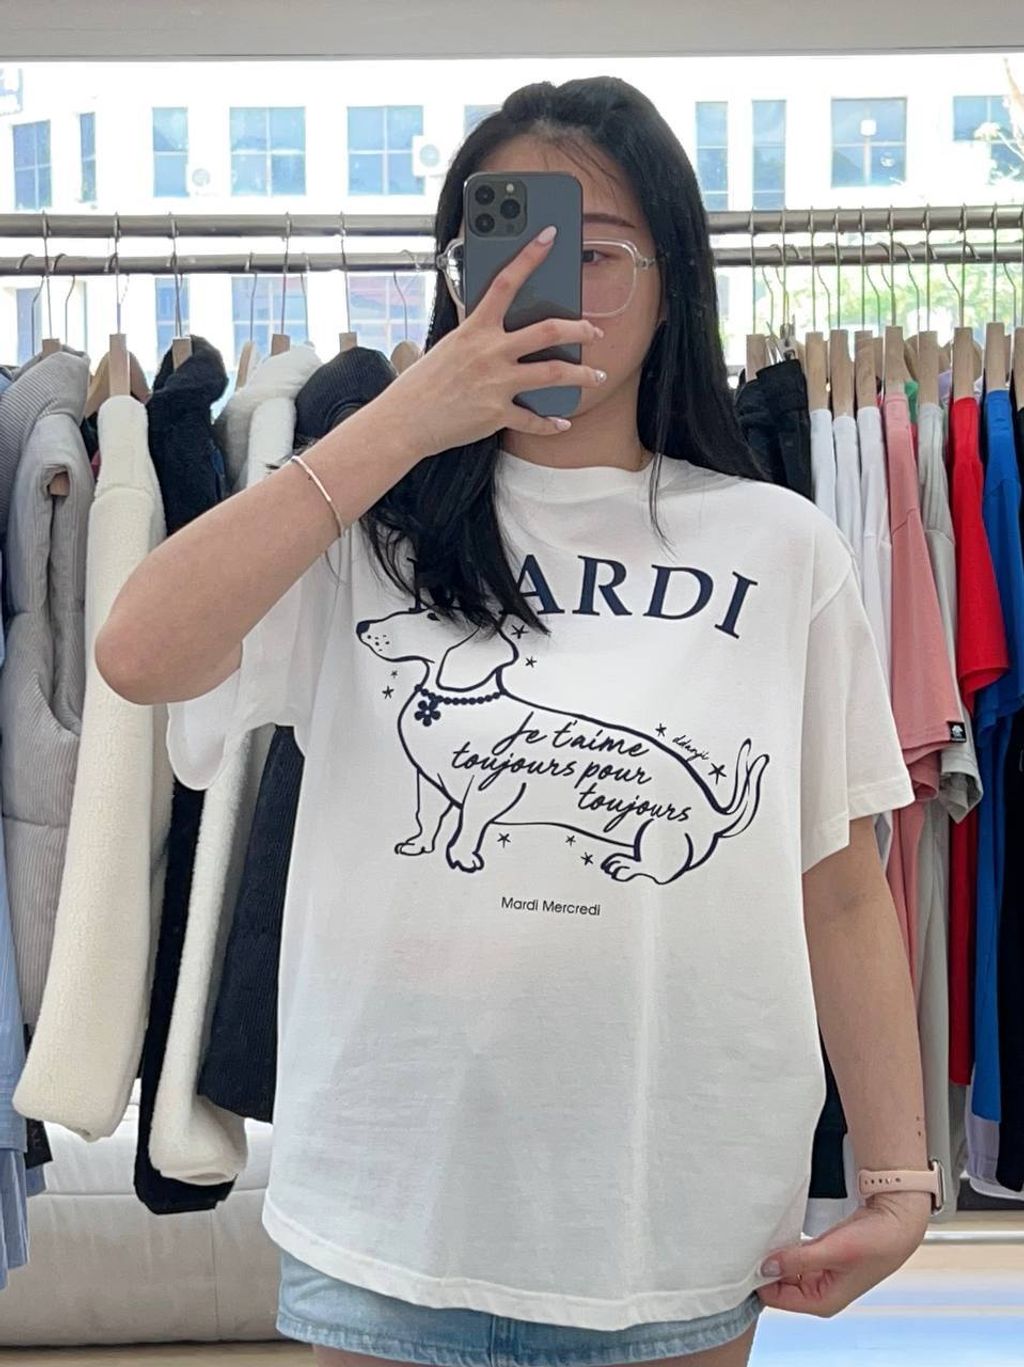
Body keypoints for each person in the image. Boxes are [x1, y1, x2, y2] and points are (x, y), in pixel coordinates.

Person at [97, 76, 933, 1367]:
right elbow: (138, 653)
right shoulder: (359, 536)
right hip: (388, 1209)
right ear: (457, 275)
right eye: (512, 253)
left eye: (599, 254)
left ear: (673, 280)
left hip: (678, 1217)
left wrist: (898, 1178)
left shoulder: (779, 546)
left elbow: (839, 881)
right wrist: (400, 422)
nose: (555, 293)